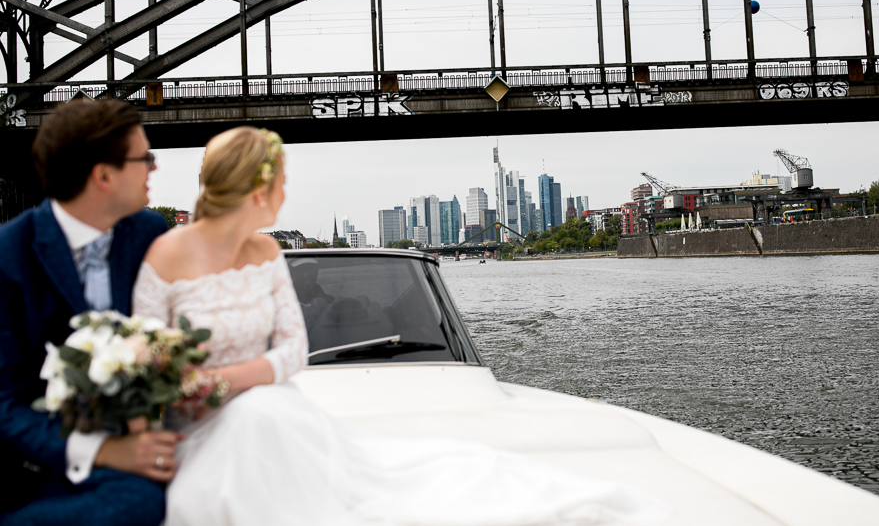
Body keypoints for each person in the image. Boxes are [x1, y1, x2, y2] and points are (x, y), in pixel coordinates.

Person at [134, 127, 668, 526]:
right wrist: (183, 388)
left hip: (264, 402)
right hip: (195, 418)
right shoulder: (163, 254)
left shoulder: (265, 252)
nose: (284, 193)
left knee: (261, 420)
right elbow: (140, 351)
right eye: (280, 181)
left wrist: (224, 383)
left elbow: (293, 348)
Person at [0, 99, 175, 526]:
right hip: (36, 463)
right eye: (145, 158)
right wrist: (103, 451)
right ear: (103, 175)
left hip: (148, 441)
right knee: (144, 503)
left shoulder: (151, 233)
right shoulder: (9, 255)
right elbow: (4, 404)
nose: (154, 168)